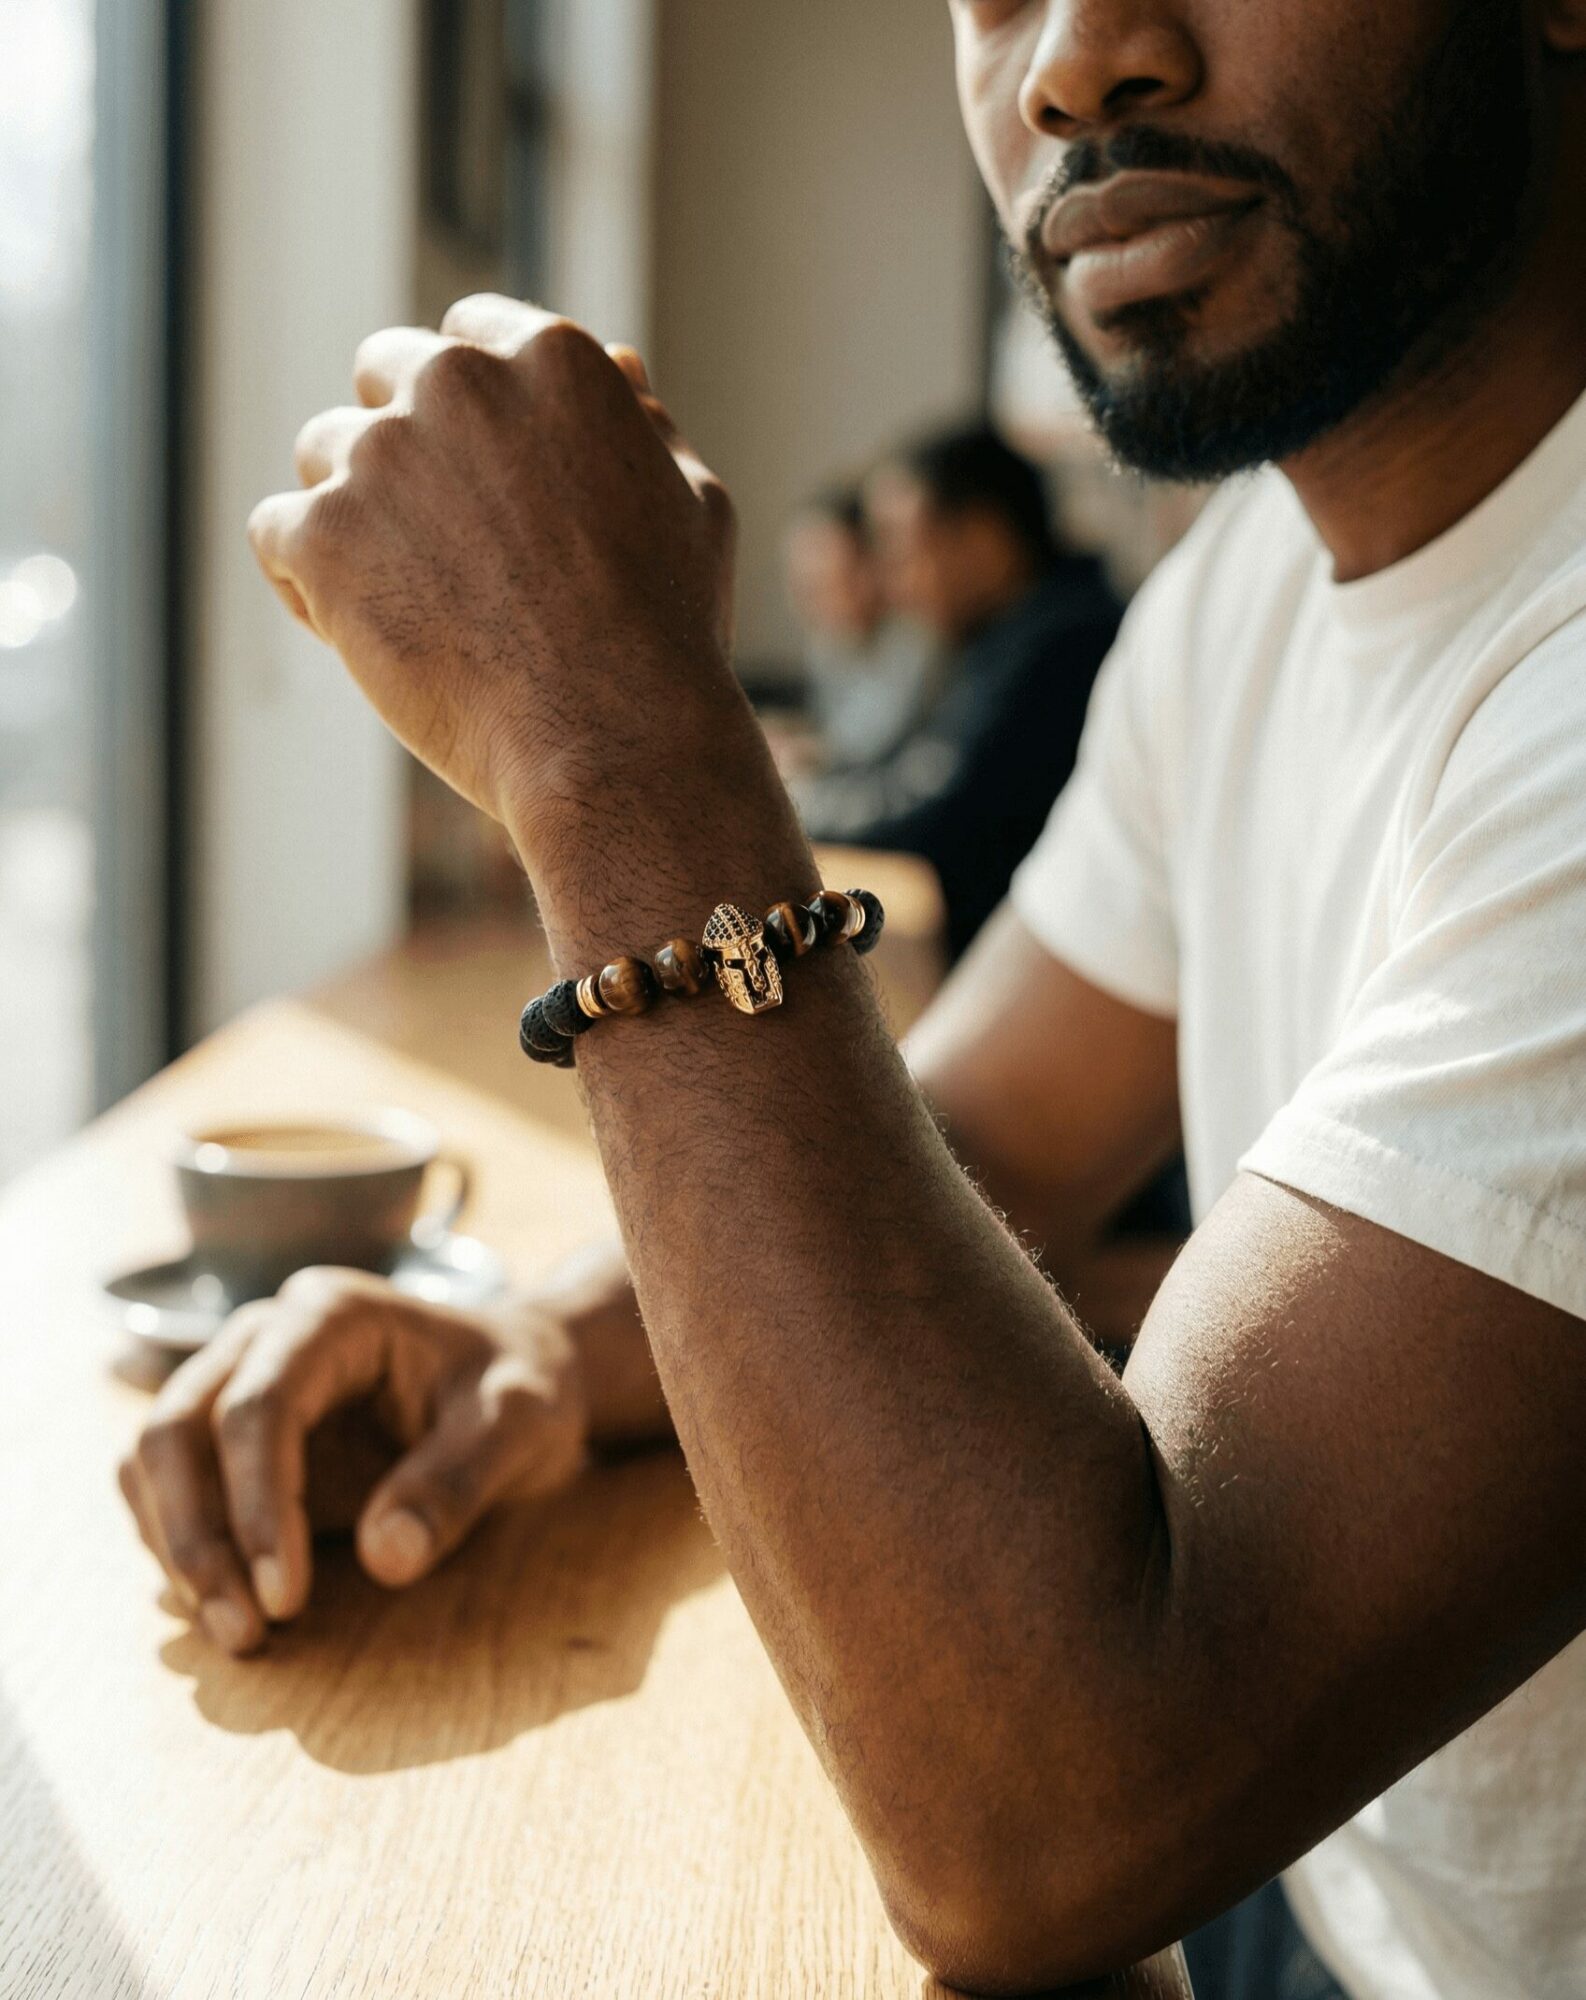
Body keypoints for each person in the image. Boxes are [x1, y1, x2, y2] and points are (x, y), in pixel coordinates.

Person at [119, 5, 1586, 1997]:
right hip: (1310, 1870)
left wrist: (614, 747)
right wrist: (542, 1347)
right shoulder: (1234, 595)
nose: (1073, 62)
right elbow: (990, 1138)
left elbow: (1048, 1815)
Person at [796, 426, 1123, 960]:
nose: (893, 585)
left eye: (903, 549)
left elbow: (932, 811)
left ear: (982, 539)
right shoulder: (1005, 638)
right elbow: (906, 767)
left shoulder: (1059, 644)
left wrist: (781, 803)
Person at [780, 485, 942, 776]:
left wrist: (812, 752)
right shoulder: (830, 645)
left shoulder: (919, 636)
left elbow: (881, 742)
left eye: (828, 574)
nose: (812, 596)